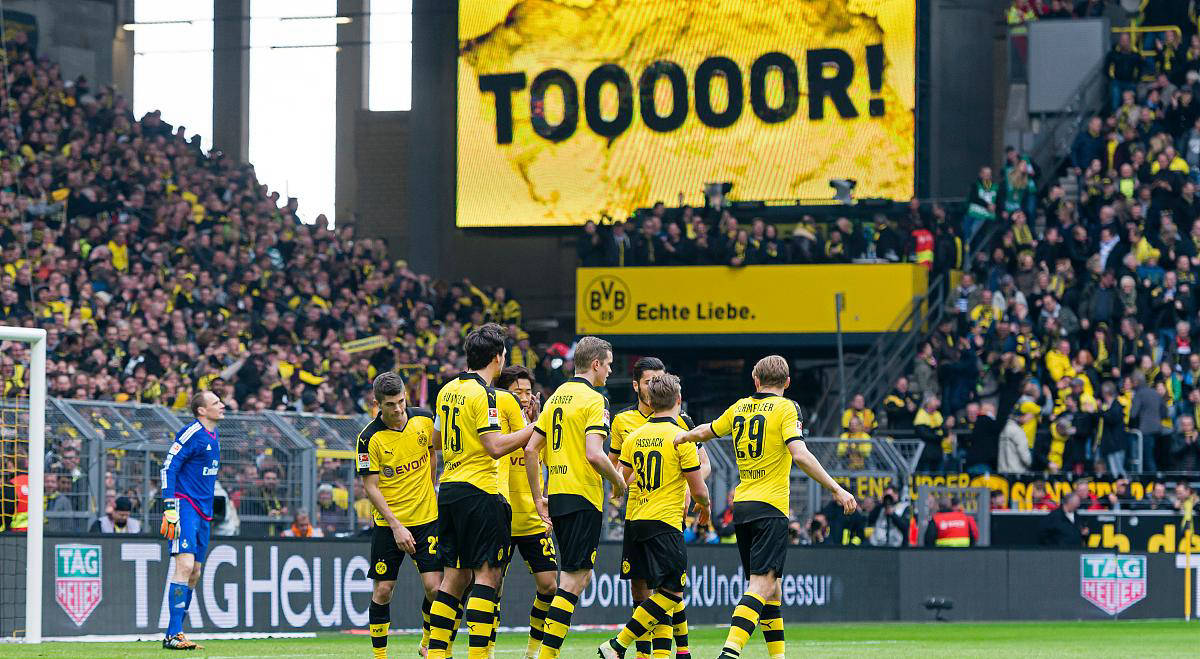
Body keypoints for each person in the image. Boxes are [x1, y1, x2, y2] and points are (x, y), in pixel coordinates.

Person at [674, 355, 855, 659]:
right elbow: (800, 454)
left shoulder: (740, 407)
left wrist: (684, 436)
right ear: (787, 382)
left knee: (772, 589)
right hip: (770, 507)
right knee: (761, 584)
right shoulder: (786, 408)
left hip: (743, 506)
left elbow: (708, 430)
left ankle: (777, 657)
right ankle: (729, 652)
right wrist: (836, 488)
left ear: (755, 380)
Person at [426, 324, 538, 659]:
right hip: (481, 492)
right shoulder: (486, 395)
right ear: (497, 357)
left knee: (453, 578)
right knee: (487, 576)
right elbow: (495, 446)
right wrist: (536, 426)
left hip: (450, 489)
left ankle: (437, 654)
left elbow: (436, 441)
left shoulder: (447, 390)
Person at [523, 336, 626, 659]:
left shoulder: (556, 397)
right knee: (573, 580)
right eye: (608, 364)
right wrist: (618, 480)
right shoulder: (595, 400)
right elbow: (594, 453)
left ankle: (542, 652)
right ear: (596, 364)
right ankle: (546, 655)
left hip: (557, 494)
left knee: (577, 576)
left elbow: (531, 449)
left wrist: (539, 497)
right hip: (583, 495)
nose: (610, 371)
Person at [599, 374, 710, 659]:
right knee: (672, 591)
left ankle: (660, 654)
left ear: (649, 400)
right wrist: (706, 506)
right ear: (678, 400)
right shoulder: (681, 438)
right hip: (664, 522)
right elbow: (699, 490)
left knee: (656, 592)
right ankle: (617, 644)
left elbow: (621, 481)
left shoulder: (634, 437)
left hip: (636, 520)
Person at [494, 366, 558, 659]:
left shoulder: (540, 429)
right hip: (503, 517)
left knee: (549, 585)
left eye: (527, 392)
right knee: (492, 587)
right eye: (516, 392)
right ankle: (486, 651)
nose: (523, 397)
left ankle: (532, 652)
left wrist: (546, 505)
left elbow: (550, 466)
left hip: (533, 517)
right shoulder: (495, 428)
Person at [159, 390, 225, 650]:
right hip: (184, 505)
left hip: (203, 511)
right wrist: (169, 505)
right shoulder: (191, 433)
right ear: (202, 410)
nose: (222, 405)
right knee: (184, 565)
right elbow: (169, 466)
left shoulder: (214, 436)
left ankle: (174, 633)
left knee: (195, 572)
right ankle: (174, 634)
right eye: (216, 402)